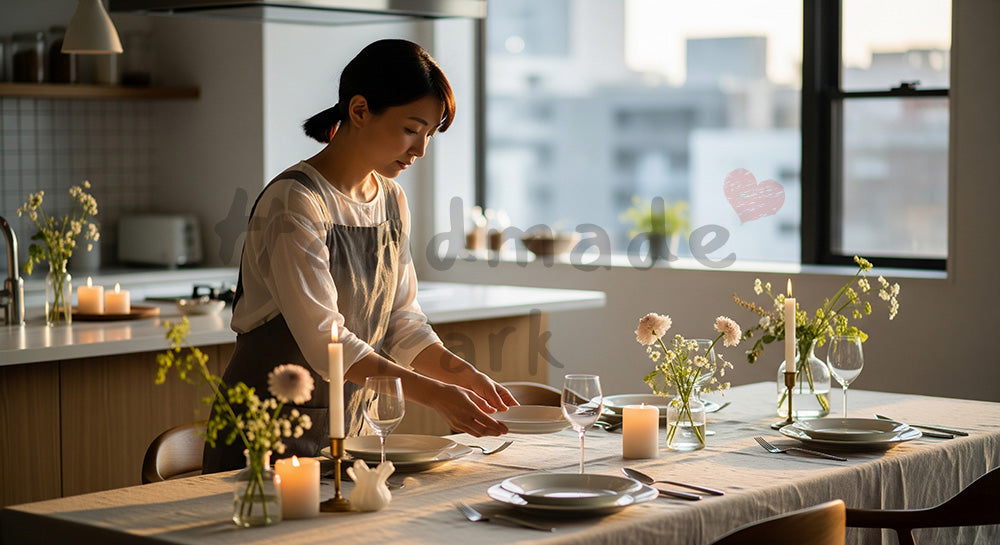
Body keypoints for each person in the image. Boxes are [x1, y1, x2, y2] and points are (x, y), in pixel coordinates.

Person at [203, 39, 516, 473]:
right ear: (359, 110)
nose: (421, 149)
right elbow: (325, 341)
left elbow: (402, 323)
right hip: (268, 435)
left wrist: (461, 375)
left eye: (429, 134)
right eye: (411, 129)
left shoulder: (391, 200)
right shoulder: (295, 202)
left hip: (353, 433)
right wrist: (434, 393)